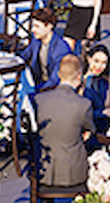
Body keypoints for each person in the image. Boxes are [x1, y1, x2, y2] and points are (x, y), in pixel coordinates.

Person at [35, 55, 95, 187]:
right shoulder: (83, 104)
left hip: (43, 171)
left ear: (58, 74)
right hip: (73, 173)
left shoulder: (39, 100)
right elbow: (90, 132)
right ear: (79, 76)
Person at [25, 6, 75, 90]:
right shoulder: (36, 40)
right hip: (39, 83)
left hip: (55, 90)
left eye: (37, 26)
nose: (33, 30)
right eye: (33, 26)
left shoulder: (61, 49)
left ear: (49, 26)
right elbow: (24, 56)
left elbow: (55, 80)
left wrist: (35, 92)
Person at [81, 42, 110, 128]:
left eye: (104, 63)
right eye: (96, 61)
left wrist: (97, 113)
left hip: (104, 124)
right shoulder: (80, 81)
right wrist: (107, 112)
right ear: (89, 59)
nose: (99, 66)